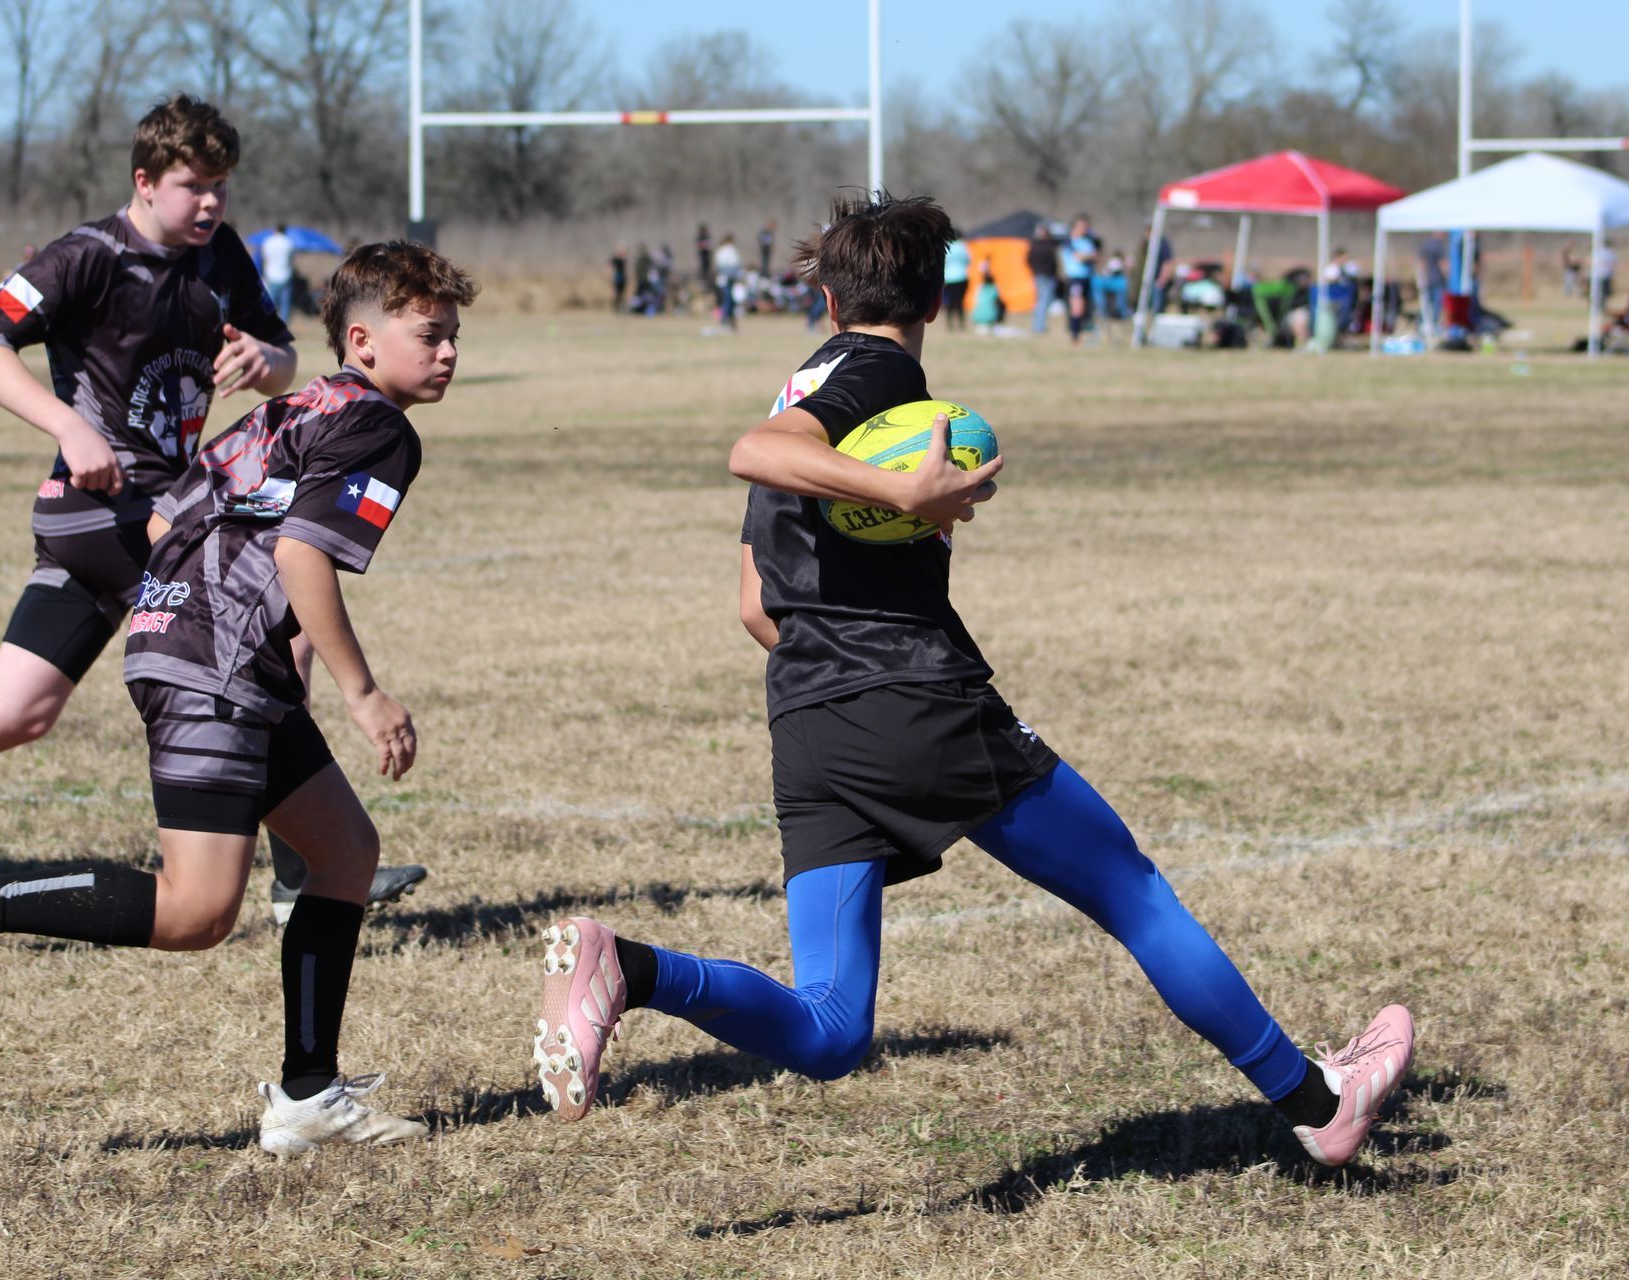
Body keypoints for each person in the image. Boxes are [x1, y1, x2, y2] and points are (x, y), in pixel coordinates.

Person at [530, 193, 1416, 1171]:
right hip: (916, 695)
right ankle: (1314, 1098)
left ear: (825, 297)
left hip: (812, 719)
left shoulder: (807, 391)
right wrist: (908, 495)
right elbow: (752, 450)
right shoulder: (874, 379)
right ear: (939, 302)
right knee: (1133, 891)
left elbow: (756, 604)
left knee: (832, 1029)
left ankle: (631, 968)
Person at [0, 239, 475, 1151]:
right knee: (196, 912)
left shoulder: (290, 406)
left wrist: (210, 620)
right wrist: (364, 692)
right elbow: (304, 554)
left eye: (455, 335)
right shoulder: (380, 427)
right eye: (430, 334)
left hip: (194, 648)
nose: (450, 352)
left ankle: (308, 1098)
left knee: (345, 851)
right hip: (214, 668)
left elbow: (167, 516)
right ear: (363, 338)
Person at [0, 96, 427, 919]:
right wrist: (69, 425)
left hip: (152, 515)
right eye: (192, 186)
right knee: (280, 622)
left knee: (15, 711)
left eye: (222, 187)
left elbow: (281, 359)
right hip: (109, 507)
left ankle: (304, 867)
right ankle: (302, 873)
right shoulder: (86, 255)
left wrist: (261, 356)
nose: (210, 203)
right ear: (144, 181)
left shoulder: (220, 255)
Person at [1061, 213, 1097, 346]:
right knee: (1077, 307)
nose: (1083, 229)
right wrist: (1088, 256)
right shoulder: (1069, 242)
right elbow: (1079, 257)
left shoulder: (1088, 242)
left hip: (1087, 278)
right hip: (1075, 279)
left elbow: (1095, 256)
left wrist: (1087, 256)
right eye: (1081, 226)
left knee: (1086, 308)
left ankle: (1082, 332)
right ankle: (1074, 335)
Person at [1027, 224, 1058, 336]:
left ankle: (1038, 325)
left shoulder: (1033, 245)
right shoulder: (1048, 246)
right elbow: (1053, 262)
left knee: (1041, 301)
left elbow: (1028, 260)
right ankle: (1039, 327)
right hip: (1046, 276)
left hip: (1037, 275)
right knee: (1044, 301)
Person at [261, 222, 295, 319]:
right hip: (286, 276)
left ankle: (269, 324)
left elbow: (265, 258)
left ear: (275, 230)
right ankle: (284, 327)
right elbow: (291, 260)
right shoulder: (289, 243)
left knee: (271, 305)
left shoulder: (268, 242)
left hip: (271, 276)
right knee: (285, 307)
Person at [713, 233, 744, 330]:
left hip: (729, 280)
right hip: (726, 280)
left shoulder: (722, 251)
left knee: (730, 300)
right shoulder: (727, 250)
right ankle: (725, 319)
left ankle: (729, 319)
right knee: (727, 300)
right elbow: (732, 265)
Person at [941, 231, 970, 332]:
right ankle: (961, 324)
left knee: (950, 302)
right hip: (962, 277)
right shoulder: (963, 246)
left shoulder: (946, 246)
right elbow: (968, 260)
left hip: (949, 278)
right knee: (959, 302)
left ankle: (949, 324)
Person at [970, 262, 1005, 334]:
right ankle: (997, 322)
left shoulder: (979, 288)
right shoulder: (994, 289)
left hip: (977, 317)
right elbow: (999, 300)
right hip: (991, 317)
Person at [1591, 242, 1616, 314]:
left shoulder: (1598, 253)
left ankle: (1597, 306)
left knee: (1597, 292)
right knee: (1604, 293)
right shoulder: (1611, 253)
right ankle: (1601, 306)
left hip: (1598, 276)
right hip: (1606, 276)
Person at [610, 243, 629, 312]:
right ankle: (615, 307)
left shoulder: (624, 258)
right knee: (616, 293)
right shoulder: (615, 258)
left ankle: (622, 308)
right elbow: (610, 266)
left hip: (623, 277)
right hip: (617, 277)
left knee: (622, 293)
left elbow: (626, 266)